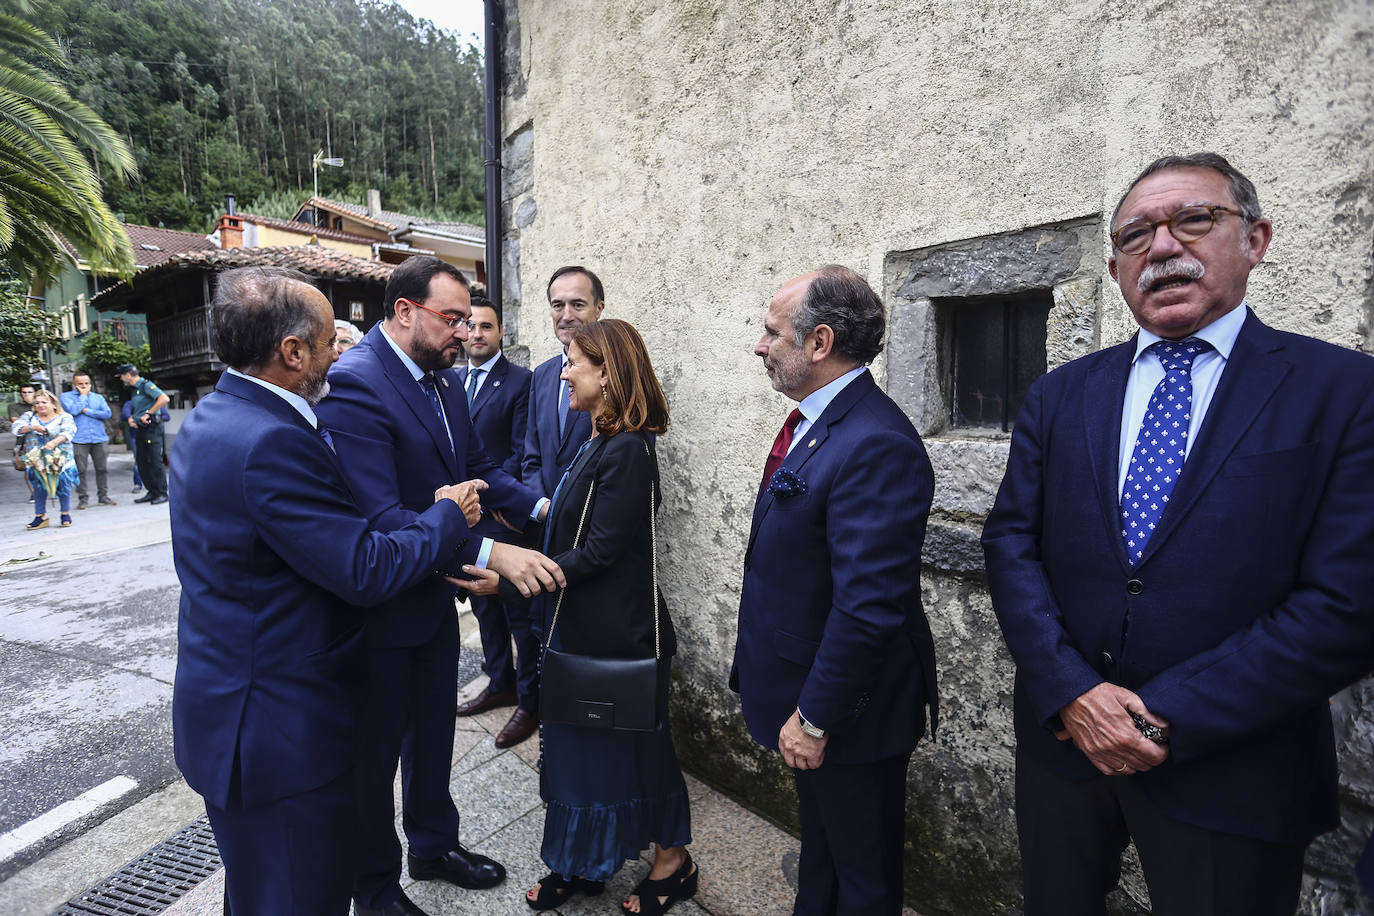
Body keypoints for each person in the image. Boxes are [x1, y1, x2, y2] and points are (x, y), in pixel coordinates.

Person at [980, 152, 1374, 915]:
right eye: (1136, 236)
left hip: (1235, 764)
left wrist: (1162, 719)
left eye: (1194, 220)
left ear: (1255, 239)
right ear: (1116, 266)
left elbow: (1348, 602)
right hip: (1065, 747)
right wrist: (1073, 694)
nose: (1162, 248)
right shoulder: (1063, 393)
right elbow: (1011, 544)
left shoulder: (1344, 390)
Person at [170, 266, 488, 915]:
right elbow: (364, 568)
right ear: (291, 352)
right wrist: (447, 514)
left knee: (263, 893)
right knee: (294, 895)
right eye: (326, 341)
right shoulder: (269, 442)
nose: (339, 354)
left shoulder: (214, 417)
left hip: (239, 708)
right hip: (277, 730)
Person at [316, 255, 563, 916]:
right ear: (403, 312)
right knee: (374, 761)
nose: (463, 332)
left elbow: (479, 472)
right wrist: (495, 553)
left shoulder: (444, 379)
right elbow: (383, 518)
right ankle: (374, 888)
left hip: (431, 600)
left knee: (431, 734)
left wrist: (547, 510)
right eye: (450, 318)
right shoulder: (354, 385)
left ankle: (432, 843)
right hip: (380, 607)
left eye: (464, 320)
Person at [461, 318, 696, 915]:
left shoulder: (629, 452)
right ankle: (583, 862)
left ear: (609, 373)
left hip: (617, 640)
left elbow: (599, 552)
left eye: (574, 362)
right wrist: (511, 573)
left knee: (634, 754)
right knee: (578, 757)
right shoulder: (596, 442)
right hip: (576, 628)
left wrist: (520, 572)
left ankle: (673, 862)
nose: (563, 372)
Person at [731, 266, 937, 915]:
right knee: (821, 852)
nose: (760, 346)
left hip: (850, 714)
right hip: (807, 697)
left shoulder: (876, 444)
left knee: (863, 874)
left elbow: (868, 608)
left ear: (819, 343)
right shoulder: (818, 423)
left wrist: (814, 718)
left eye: (772, 333)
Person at [453, 296, 541, 749]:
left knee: (518, 614)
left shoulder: (520, 381)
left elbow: (521, 448)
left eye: (486, 326)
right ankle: (497, 681)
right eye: (470, 325)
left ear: (500, 332)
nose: (477, 334)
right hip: (463, 519)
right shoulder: (452, 380)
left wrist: (489, 494)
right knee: (481, 606)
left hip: (502, 516)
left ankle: (529, 700)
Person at [522, 266, 604, 498]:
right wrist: (544, 510)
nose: (566, 316)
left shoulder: (616, 371)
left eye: (578, 305)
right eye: (558, 305)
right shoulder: (542, 374)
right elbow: (531, 458)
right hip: (545, 525)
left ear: (599, 309)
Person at [12, 389, 79, 529]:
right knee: (38, 486)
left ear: (53, 404)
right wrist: (32, 427)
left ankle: (65, 514)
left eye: (44, 402)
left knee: (63, 485)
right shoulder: (29, 416)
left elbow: (69, 431)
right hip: (36, 459)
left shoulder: (64, 416)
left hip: (61, 458)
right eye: (37, 403)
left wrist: (53, 442)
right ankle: (40, 516)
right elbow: (16, 427)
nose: (40, 405)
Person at [60, 372, 116, 509]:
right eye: (80, 384)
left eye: (86, 383)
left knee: (102, 469)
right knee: (80, 470)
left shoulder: (98, 398)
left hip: (99, 438)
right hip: (79, 439)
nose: (84, 386)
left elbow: (107, 413)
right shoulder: (65, 397)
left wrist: (87, 411)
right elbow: (73, 410)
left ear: (90, 384)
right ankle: (83, 498)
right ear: (74, 384)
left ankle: (103, 496)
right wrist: (83, 397)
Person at [117, 363, 169, 505]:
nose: (121, 379)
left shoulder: (146, 385)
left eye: (121, 376)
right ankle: (152, 491)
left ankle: (162, 493)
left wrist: (148, 414)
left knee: (154, 460)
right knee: (142, 461)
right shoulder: (135, 389)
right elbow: (140, 408)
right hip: (141, 427)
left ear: (128, 375)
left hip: (152, 427)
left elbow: (164, 399)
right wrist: (134, 419)